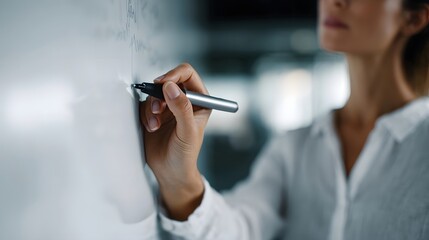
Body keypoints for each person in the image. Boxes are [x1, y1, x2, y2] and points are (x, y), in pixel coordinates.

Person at [140, 0, 429, 239]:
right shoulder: (294, 147)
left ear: (414, 18)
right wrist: (178, 176)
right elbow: (241, 229)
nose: (334, 2)